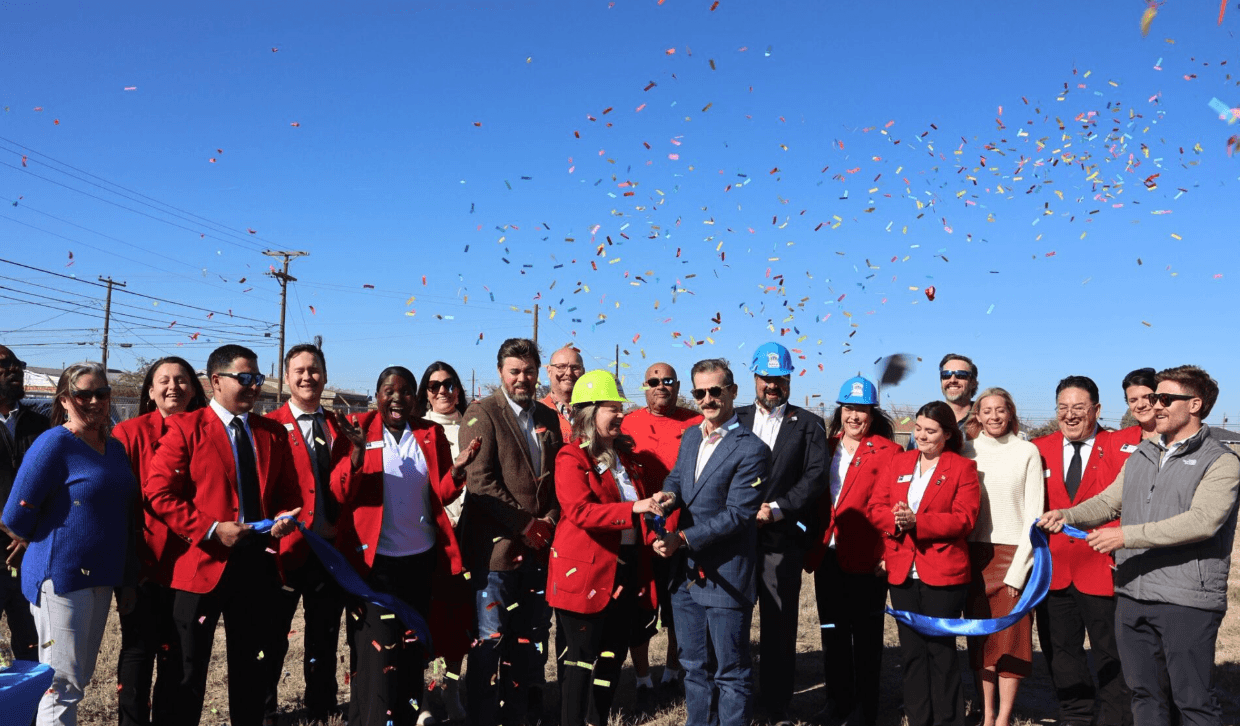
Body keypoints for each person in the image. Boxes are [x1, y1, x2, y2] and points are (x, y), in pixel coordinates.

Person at [1039, 366, 1240, 726]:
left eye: (1164, 398)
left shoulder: (1221, 461)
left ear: (1195, 404)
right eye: (1153, 398)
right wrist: (1067, 515)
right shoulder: (1142, 455)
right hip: (1133, 594)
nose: (1154, 405)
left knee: (1193, 702)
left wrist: (1125, 537)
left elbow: (1202, 521)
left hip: (1187, 600)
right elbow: (1107, 502)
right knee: (1144, 696)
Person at [144, 344, 302, 726]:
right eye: (244, 378)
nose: (254, 386)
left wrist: (284, 518)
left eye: (257, 378)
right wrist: (212, 529)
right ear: (216, 381)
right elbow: (158, 493)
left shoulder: (272, 433)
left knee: (252, 669)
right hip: (201, 563)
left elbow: (288, 494)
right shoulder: (185, 427)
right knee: (185, 672)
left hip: (257, 565)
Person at [331, 366, 479, 726]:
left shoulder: (429, 433)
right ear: (377, 395)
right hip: (375, 566)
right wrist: (356, 453)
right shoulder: (357, 428)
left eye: (406, 391)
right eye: (389, 391)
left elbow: (442, 492)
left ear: (416, 398)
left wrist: (458, 470)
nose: (398, 398)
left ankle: (406, 717)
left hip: (420, 563)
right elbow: (339, 492)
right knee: (378, 655)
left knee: (413, 653)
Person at [2, 362, 138, 726]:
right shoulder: (54, 444)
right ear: (64, 400)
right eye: (83, 394)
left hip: (102, 576)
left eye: (102, 393)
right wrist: (39, 537)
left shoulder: (114, 449)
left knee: (78, 679)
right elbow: (15, 515)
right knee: (60, 684)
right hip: (61, 578)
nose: (94, 401)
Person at [650, 358, 771, 726]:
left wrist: (682, 538)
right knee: (693, 666)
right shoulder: (690, 436)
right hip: (686, 575)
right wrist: (667, 498)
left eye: (715, 391)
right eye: (699, 392)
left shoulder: (752, 449)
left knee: (730, 671)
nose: (707, 399)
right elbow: (677, 479)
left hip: (726, 573)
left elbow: (738, 514)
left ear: (733, 392)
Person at [548, 369, 667, 726]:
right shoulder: (571, 457)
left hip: (625, 571)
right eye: (611, 408)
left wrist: (655, 528)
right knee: (580, 663)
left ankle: (597, 719)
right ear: (589, 412)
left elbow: (639, 513)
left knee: (613, 656)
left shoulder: (625, 459)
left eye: (620, 407)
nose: (620, 414)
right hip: (584, 575)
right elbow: (580, 511)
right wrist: (634, 508)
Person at [458, 338, 565, 726]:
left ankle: (522, 714)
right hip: (496, 554)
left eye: (529, 371)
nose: (523, 378)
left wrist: (548, 521)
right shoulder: (482, 413)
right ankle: (484, 717)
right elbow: (480, 482)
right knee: (491, 641)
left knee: (530, 639)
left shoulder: (548, 416)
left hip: (538, 550)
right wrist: (525, 526)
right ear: (500, 371)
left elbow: (556, 479)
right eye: (514, 371)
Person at [869, 400, 980, 726]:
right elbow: (876, 506)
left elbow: (964, 519)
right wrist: (896, 521)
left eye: (930, 431)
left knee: (940, 652)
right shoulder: (899, 462)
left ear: (948, 434)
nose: (921, 436)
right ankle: (919, 719)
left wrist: (918, 522)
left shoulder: (962, 468)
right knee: (912, 652)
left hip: (943, 572)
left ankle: (948, 720)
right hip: (903, 572)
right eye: (917, 428)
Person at [111, 355, 207, 726]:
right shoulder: (128, 433)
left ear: (194, 389)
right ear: (149, 392)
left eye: (182, 380)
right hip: (143, 560)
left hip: (191, 559)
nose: (173, 387)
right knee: (138, 648)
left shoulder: (209, 429)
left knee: (181, 650)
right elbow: (120, 503)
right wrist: (128, 566)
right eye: (163, 380)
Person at [735, 342, 828, 725]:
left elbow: (815, 477)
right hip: (735, 539)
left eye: (779, 378)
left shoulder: (808, 424)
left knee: (778, 625)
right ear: (754, 377)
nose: (772, 385)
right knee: (731, 622)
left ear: (789, 379)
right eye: (766, 378)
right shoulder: (734, 418)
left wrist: (776, 508)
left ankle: (776, 705)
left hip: (780, 540)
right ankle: (733, 700)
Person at [1032, 376, 1132, 726]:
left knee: (1112, 651)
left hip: (1103, 568)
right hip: (1055, 570)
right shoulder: (1037, 448)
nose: (1070, 415)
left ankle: (1118, 717)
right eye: (1063, 408)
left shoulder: (1122, 446)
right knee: (1061, 651)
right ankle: (1075, 715)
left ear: (1097, 409)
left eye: (1079, 407)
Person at [264, 344, 351, 722]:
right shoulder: (269, 425)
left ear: (325, 376)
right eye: (298, 371)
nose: (307, 377)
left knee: (324, 633)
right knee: (271, 635)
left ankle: (321, 706)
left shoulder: (339, 425)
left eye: (314, 370)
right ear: (286, 377)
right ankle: (264, 709)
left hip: (329, 548)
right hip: (285, 548)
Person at [804, 375, 898, 726]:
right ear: (839, 411)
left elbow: (894, 505)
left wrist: (888, 553)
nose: (854, 416)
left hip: (867, 558)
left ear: (872, 414)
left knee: (867, 638)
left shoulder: (890, 452)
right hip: (828, 554)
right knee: (833, 632)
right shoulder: (826, 447)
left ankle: (864, 709)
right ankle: (836, 702)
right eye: (848, 409)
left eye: (861, 410)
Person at [620, 362, 701, 700]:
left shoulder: (696, 422)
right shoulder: (628, 423)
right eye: (653, 381)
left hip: (682, 532)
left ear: (678, 386)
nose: (660, 386)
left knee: (679, 608)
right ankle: (642, 679)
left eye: (668, 380)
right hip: (639, 534)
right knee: (640, 608)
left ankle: (671, 672)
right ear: (645, 386)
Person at [963, 388, 1043, 726]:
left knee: (1012, 642)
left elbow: (1034, 514)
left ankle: (1004, 718)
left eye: (1000, 410)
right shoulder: (966, 450)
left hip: (1012, 556)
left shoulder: (1027, 451)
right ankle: (988, 714)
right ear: (978, 415)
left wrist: (1019, 570)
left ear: (1010, 413)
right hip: (974, 557)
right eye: (987, 410)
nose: (994, 416)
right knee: (981, 641)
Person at [416, 360, 472, 723]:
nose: (442, 391)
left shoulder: (474, 425)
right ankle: (425, 695)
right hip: (430, 540)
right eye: (434, 385)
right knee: (429, 623)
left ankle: (452, 691)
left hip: (470, 537)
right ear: (425, 392)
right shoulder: (416, 429)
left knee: (458, 626)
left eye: (449, 384)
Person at [0, 345, 48, 664]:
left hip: (31, 554)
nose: (14, 369)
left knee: (32, 650)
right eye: (4, 364)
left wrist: (28, 534)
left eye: (17, 363)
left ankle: (30, 701)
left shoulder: (41, 425)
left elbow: (53, 485)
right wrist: (12, 528)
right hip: (10, 543)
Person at [906, 354, 979, 450]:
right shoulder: (924, 421)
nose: (952, 380)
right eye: (946, 375)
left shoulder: (985, 421)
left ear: (973, 383)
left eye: (961, 375)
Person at [542, 345, 584, 441]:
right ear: (549, 371)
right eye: (561, 367)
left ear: (583, 372)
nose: (569, 373)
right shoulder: (536, 412)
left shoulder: (594, 412)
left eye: (575, 368)